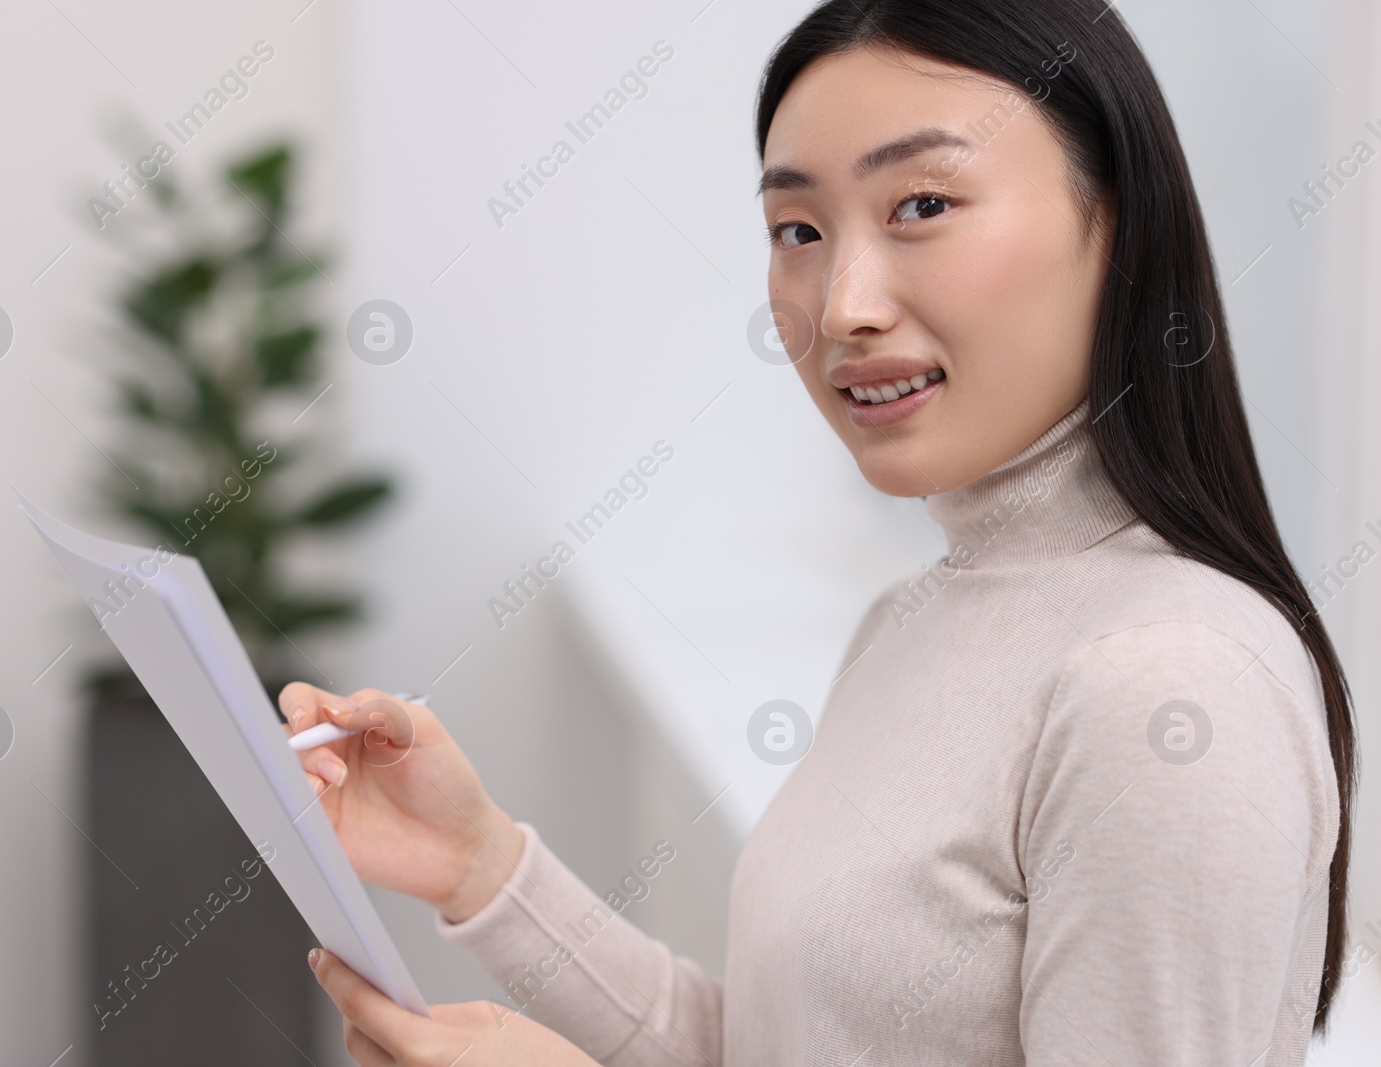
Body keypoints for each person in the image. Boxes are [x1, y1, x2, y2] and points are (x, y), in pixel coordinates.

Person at [281, 1, 1357, 1063]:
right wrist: (482, 864)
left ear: (1114, 222)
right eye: (797, 230)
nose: (841, 304)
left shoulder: (1170, 685)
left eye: (922, 203)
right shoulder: (914, 615)